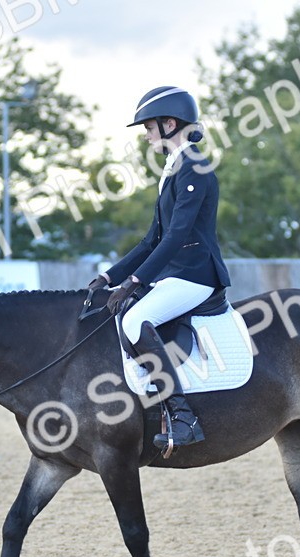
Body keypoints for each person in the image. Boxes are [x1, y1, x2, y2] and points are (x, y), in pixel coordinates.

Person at [89, 86, 231, 449]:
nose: (146, 135)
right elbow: (153, 238)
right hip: (176, 274)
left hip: (197, 275)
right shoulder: (174, 168)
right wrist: (110, 277)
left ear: (169, 124)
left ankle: (183, 417)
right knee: (124, 315)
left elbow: (178, 235)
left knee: (135, 320)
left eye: (149, 127)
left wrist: (135, 283)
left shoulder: (195, 167)